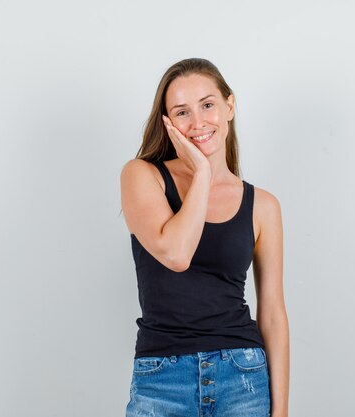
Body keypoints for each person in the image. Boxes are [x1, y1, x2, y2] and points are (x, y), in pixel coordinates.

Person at [120, 58, 289, 417]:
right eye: (182, 112)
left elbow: (272, 314)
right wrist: (201, 172)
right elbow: (176, 254)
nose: (197, 122)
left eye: (208, 105)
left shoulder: (263, 206)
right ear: (167, 123)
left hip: (243, 377)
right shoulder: (142, 176)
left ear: (229, 106)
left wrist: (282, 411)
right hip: (162, 381)